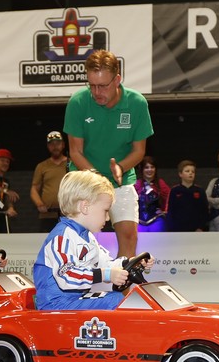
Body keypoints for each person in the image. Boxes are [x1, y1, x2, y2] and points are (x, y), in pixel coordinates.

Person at [64, 49, 154, 259]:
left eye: (103, 86)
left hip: (121, 180)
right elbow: (75, 151)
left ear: (117, 80)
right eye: (92, 85)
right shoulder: (78, 102)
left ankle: (121, 281)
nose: (96, 92)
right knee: (78, 241)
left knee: (129, 235)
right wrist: (96, 178)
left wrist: (121, 167)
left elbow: (139, 151)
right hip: (84, 179)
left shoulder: (137, 103)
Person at [34, 170, 134, 311]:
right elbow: (67, 275)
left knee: (116, 297)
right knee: (114, 301)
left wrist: (128, 263)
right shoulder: (62, 236)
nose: (107, 218)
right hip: (54, 305)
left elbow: (105, 263)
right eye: (106, 211)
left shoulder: (87, 236)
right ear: (84, 207)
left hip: (74, 300)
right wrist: (106, 274)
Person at [31, 131, 68, 227]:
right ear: (48, 146)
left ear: (63, 145)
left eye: (58, 143)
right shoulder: (42, 166)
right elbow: (34, 189)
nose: (55, 147)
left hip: (69, 215)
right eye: (52, 144)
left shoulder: (72, 164)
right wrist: (39, 204)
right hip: (48, 215)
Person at [165, 160, 210, 232]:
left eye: (193, 172)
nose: (190, 173)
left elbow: (204, 211)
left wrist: (201, 227)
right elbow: (170, 211)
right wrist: (172, 228)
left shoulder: (200, 191)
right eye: (187, 171)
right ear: (180, 174)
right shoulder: (174, 190)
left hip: (196, 230)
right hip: (177, 230)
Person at [135, 157, 169, 232]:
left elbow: (170, 199)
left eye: (152, 167)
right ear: (142, 169)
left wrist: (165, 211)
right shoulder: (137, 184)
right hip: (138, 221)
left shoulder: (161, 184)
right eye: (146, 167)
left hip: (157, 220)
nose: (149, 170)